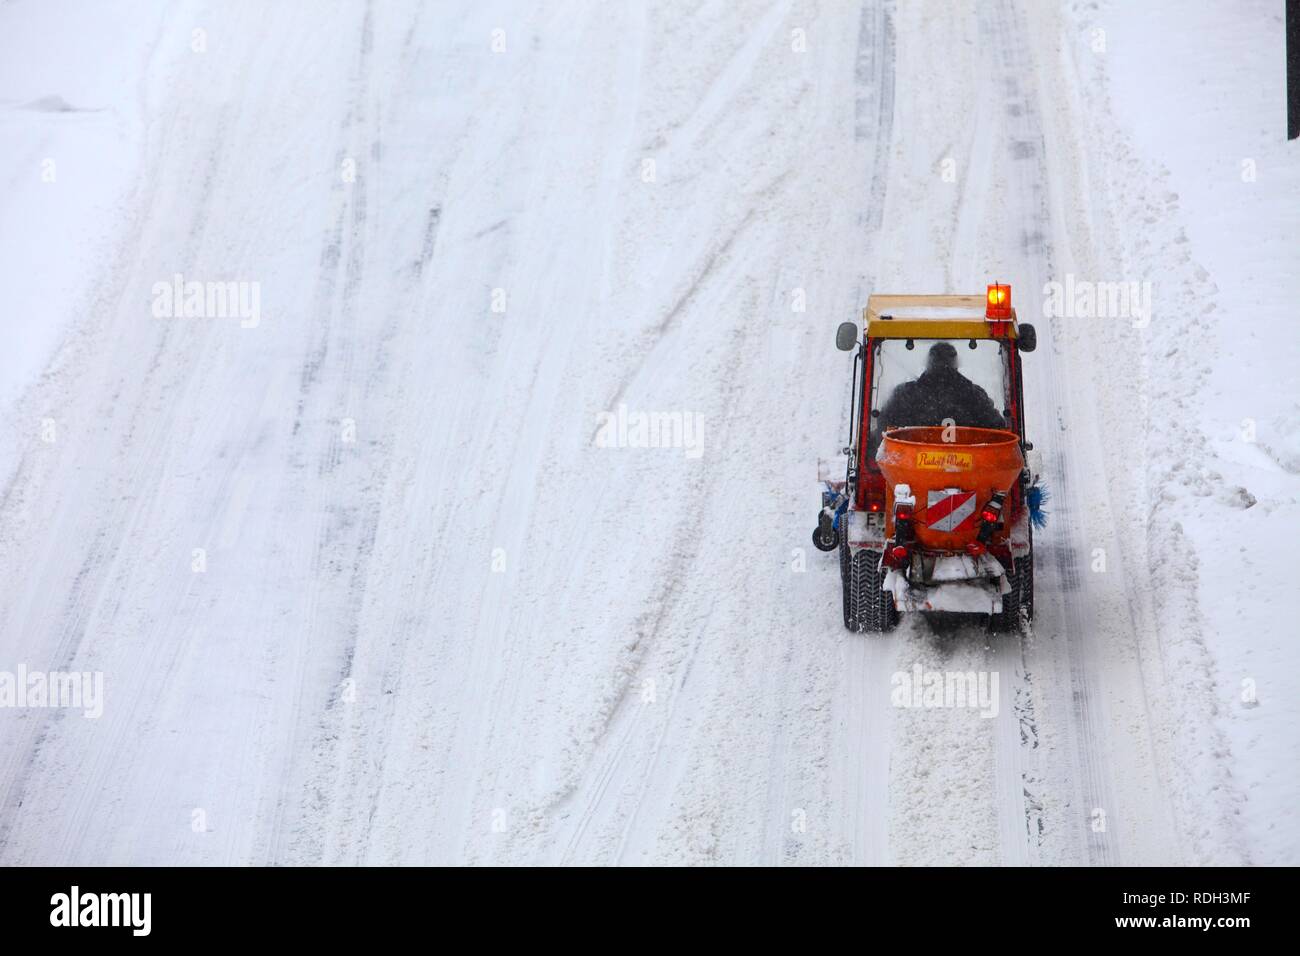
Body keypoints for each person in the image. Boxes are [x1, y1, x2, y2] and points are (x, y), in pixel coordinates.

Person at [879, 341, 1005, 431]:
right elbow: (998, 429)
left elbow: (882, 431)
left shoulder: (905, 394)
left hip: (906, 466)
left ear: (929, 363)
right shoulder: (974, 395)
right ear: (955, 364)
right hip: (968, 466)